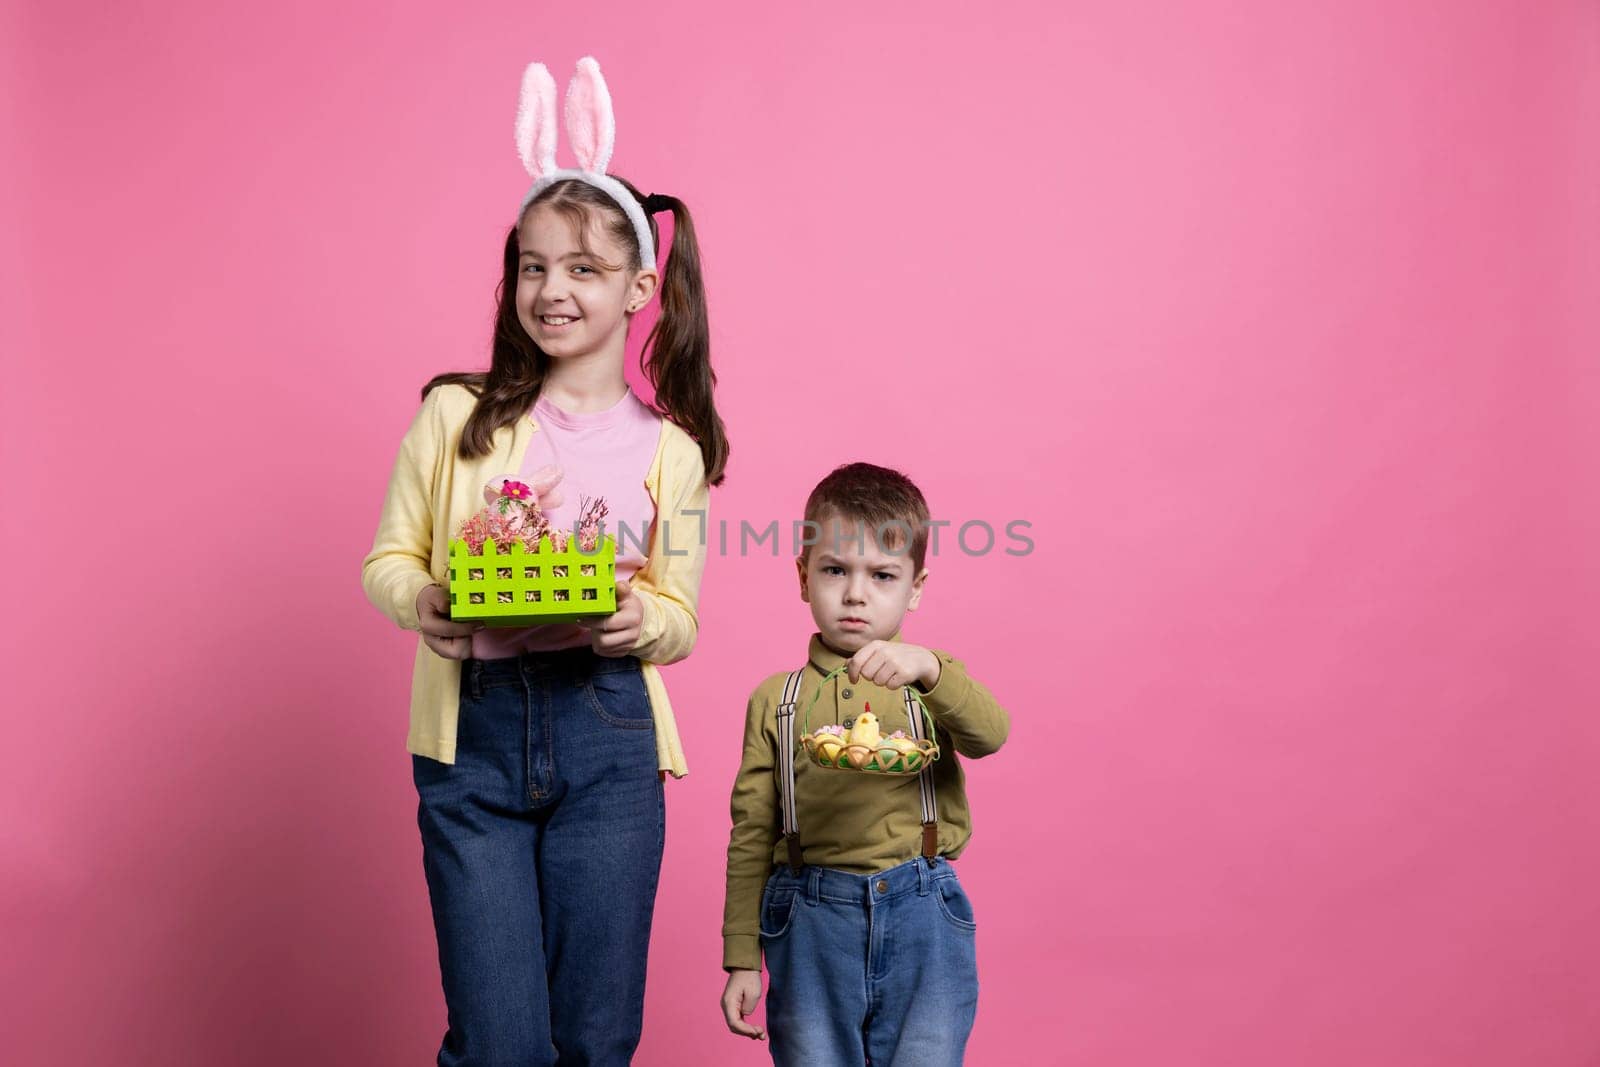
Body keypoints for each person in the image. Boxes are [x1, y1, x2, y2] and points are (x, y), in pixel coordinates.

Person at [362, 57, 727, 1066]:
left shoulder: (672, 449)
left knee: (595, 1039)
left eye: (582, 267)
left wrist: (635, 620)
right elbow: (389, 556)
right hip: (469, 736)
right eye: (532, 264)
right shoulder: (454, 414)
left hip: (606, 733)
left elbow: (680, 614)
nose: (551, 289)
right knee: (499, 1042)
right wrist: (425, 598)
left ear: (638, 286)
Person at [720, 462, 1010, 1066]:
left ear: (916, 587)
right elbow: (751, 833)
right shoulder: (777, 700)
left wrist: (929, 668)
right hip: (808, 917)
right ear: (803, 578)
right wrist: (742, 954)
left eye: (882, 575)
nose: (856, 594)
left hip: (923, 911)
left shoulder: (931, 682)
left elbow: (991, 734)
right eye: (834, 570)